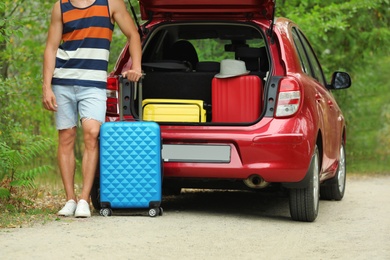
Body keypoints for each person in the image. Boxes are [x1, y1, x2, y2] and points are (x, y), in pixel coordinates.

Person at [42, 0, 142, 217]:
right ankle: (70, 199)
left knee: (92, 133)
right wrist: (46, 87)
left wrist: (137, 66)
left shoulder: (111, 3)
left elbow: (133, 34)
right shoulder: (61, 6)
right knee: (66, 137)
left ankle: (84, 199)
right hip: (62, 81)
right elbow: (51, 47)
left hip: (94, 84)